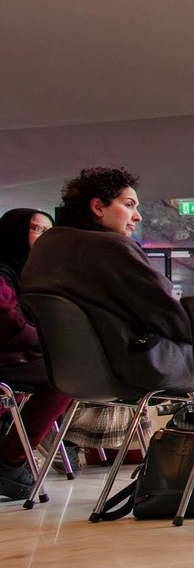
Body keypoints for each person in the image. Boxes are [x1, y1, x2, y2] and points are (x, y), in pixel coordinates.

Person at [22, 169, 194, 489]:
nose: (136, 216)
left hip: (74, 374)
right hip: (132, 365)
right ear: (97, 207)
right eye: (129, 204)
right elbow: (164, 310)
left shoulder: (46, 249)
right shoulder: (109, 247)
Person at [0, 208, 69, 500]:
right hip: (8, 356)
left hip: (18, 356)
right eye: (36, 229)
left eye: (47, 232)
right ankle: (10, 459)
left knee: (66, 371)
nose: (43, 238)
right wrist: (42, 341)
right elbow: (6, 318)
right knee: (66, 376)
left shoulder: (34, 274)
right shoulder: (3, 270)